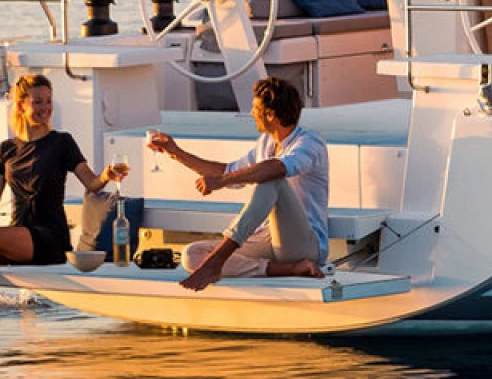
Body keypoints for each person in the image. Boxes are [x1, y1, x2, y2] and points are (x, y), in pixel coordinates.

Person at [148, 76, 329, 291]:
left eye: (255, 108)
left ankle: (218, 260)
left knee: (272, 181)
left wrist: (221, 181)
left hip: (303, 245)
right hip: (266, 240)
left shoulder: (310, 142)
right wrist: (175, 152)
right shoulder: (267, 142)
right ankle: (290, 269)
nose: (252, 114)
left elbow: (278, 168)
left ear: (270, 115)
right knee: (192, 255)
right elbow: (230, 171)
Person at [0, 74, 127, 265]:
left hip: (49, 237)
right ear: (20, 106)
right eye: (38, 102)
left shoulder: (61, 142)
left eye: (48, 101)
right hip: (17, 235)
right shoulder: (6, 149)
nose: (46, 108)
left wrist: (106, 175)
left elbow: (92, 184)